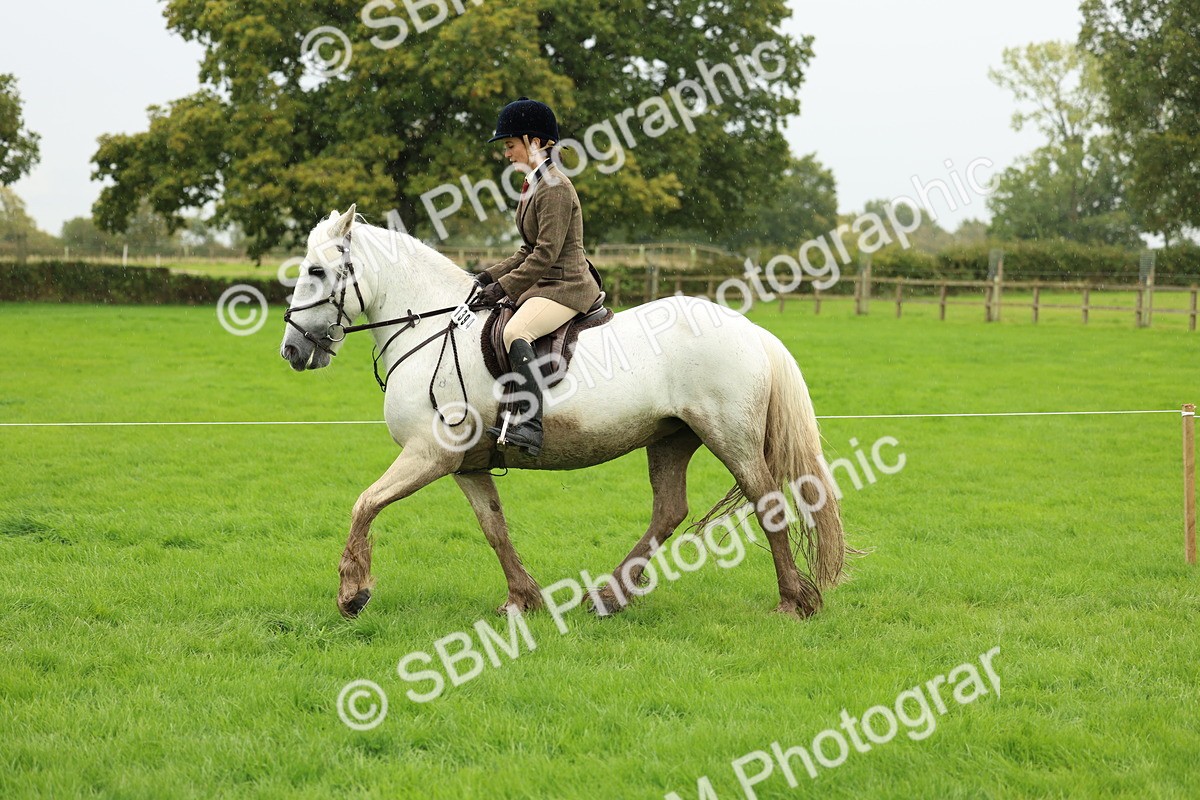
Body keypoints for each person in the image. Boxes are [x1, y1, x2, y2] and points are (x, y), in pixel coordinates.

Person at [475, 97, 601, 457]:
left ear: (534, 141)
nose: (506, 153)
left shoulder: (556, 188)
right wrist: (484, 278)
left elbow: (545, 254)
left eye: (510, 145)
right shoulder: (534, 185)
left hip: (567, 286)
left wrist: (504, 287)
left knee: (517, 331)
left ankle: (529, 424)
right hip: (546, 283)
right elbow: (526, 251)